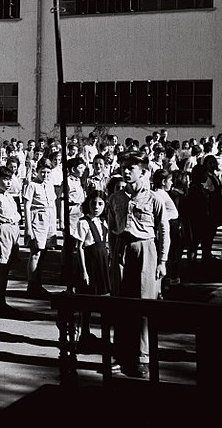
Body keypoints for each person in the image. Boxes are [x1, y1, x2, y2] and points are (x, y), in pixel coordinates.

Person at [108, 151, 169, 379]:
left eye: (131, 168)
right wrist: (112, 255)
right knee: (120, 303)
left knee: (144, 305)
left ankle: (143, 358)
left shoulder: (154, 198)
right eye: (123, 166)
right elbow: (112, 228)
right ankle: (121, 354)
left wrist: (162, 261)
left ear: (143, 171)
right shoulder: (116, 198)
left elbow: (164, 230)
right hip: (122, 249)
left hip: (145, 248)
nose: (125, 171)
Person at [71, 189, 110, 353]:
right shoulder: (83, 223)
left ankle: (104, 335)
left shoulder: (103, 223)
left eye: (100, 204)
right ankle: (84, 333)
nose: (96, 206)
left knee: (104, 299)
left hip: (102, 264)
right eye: (93, 203)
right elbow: (79, 247)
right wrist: (84, 271)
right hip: (90, 264)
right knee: (87, 300)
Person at [0, 165, 22, 317]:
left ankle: (2, 300)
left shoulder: (9, 196)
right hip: (1, 232)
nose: (8, 183)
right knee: (1, 268)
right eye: (4, 179)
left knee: (6, 268)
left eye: (9, 179)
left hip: (12, 231)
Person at [23, 159, 57, 299]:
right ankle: (32, 285)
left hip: (49, 219)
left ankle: (38, 283)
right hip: (37, 218)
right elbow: (26, 206)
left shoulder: (50, 185)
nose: (45, 175)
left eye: (48, 172)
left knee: (44, 253)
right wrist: (28, 227)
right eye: (42, 172)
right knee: (35, 252)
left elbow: (53, 204)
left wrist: (55, 223)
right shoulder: (32, 185)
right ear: (37, 171)